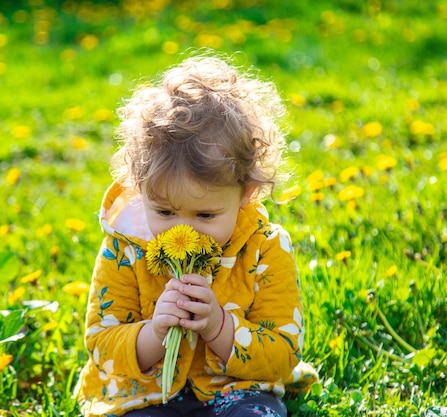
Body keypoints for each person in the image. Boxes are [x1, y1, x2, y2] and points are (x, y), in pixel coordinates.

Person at [75, 51, 318, 417]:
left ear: (246, 193)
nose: (182, 230)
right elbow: (101, 345)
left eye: (205, 214)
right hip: (144, 395)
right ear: (140, 188)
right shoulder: (123, 246)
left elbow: (282, 355)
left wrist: (219, 326)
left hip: (236, 391)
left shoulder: (265, 247)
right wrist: (154, 334)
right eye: (164, 211)